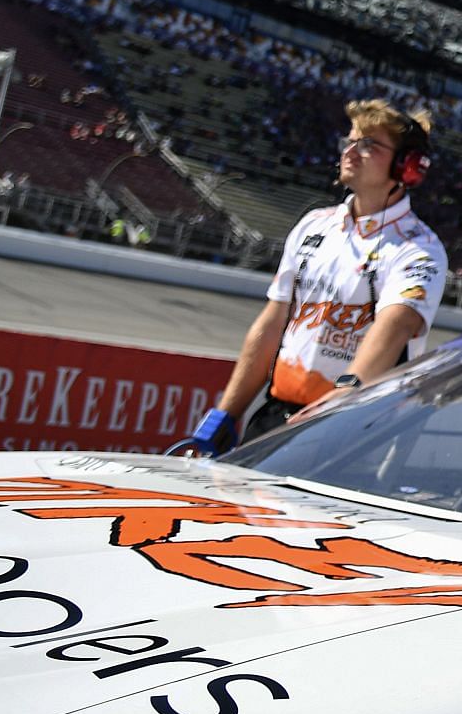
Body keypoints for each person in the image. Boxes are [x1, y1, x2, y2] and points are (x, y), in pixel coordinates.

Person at [187, 99, 447, 453]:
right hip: (276, 417)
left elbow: (394, 327)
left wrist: (340, 398)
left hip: (356, 429)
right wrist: (226, 413)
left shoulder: (419, 248)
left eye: (368, 144)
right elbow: (273, 323)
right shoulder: (313, 226)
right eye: (350, 141)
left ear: (408, 167)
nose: (351, 152)